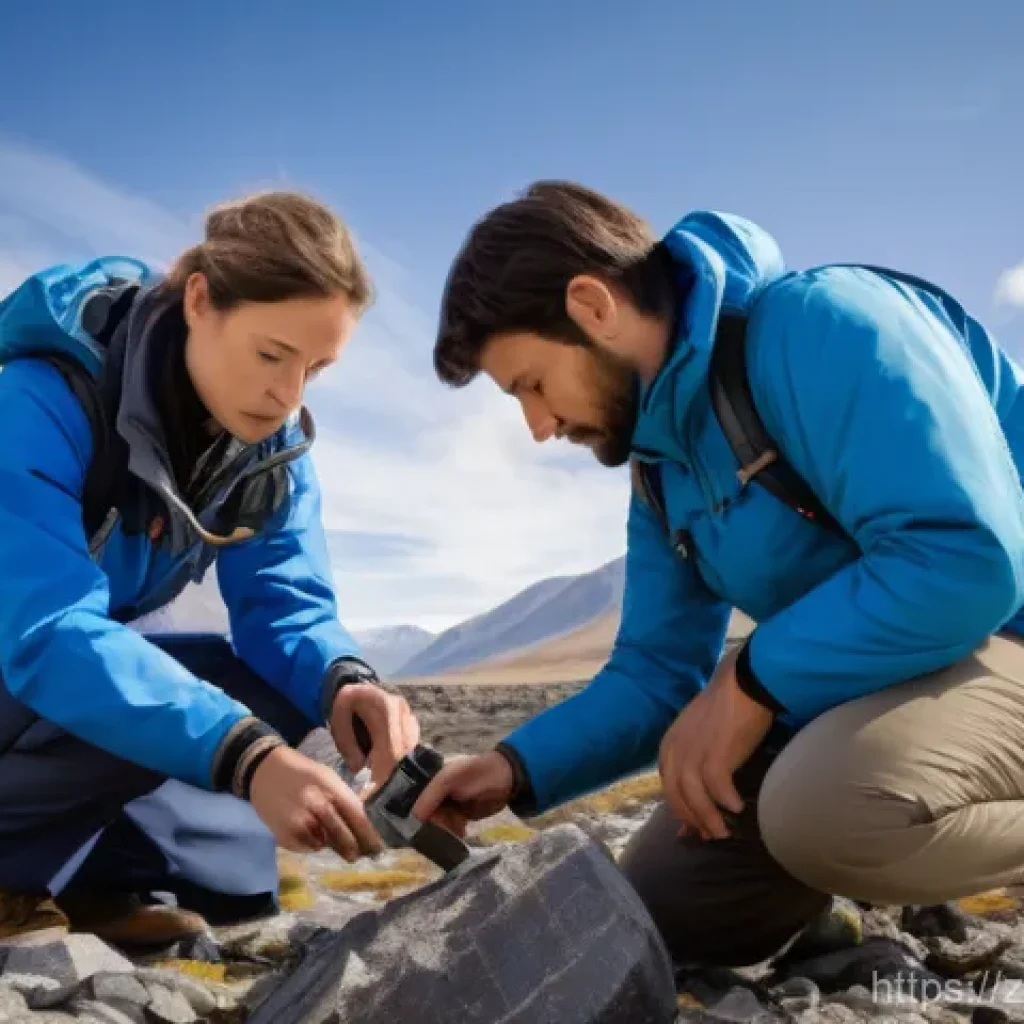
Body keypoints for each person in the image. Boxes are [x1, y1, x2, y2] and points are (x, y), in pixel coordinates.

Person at [413, 180, 1024, 968]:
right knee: (665, 916)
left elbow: (964, 557)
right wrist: (512, 767)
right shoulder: (660, 466)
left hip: (1003, 629)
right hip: (877, 680)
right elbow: (657, 672)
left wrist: (754, 679)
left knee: (828, 811)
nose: (537, 427)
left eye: (531, 384)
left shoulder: (823, 325)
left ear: (592, 305)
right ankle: (828, 916)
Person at [0, 191, 420, 945]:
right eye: (272, 354)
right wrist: (244, 756)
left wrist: (347, 684)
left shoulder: (269, 450)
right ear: (200, 300)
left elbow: (286, 606)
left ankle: (99, 885)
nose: (288, 394)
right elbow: (47, 630)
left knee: (265, 693)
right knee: (217, 723)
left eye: (315, 370)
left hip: (40, 693)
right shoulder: (38, 399)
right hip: (22, 659)